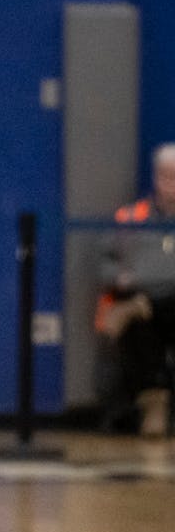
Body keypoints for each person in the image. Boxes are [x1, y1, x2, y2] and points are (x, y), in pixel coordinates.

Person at [97, 142, 175, 437]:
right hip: (141, 301)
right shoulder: (131, 217)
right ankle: (154, 403)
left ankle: (140, 308)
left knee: (134, 312)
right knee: (137, 328)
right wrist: (118, 277)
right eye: (165, 176)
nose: (170, 184)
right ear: (155, 178)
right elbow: (106, 263)